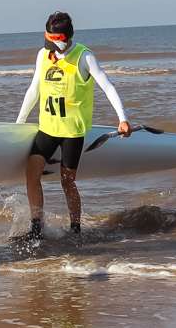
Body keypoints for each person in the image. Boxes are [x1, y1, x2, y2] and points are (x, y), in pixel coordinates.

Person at [14, 12, 129, 239]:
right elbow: (34, 89)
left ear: (64, 38)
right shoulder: (43, 55)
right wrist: (19, 122)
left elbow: (107, 86)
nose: (49, 43)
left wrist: (122, 119)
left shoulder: (84, 57)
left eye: (53, 39)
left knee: (67, 181)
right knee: (32, 174)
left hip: (72, 132)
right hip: (48, 127)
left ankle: (75, 228)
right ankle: (36, 228)